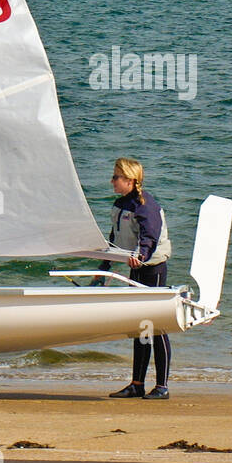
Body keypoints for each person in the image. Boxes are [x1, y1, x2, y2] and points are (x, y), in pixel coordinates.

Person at [98, 157, 172, 399]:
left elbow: (150, 236)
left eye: (116, 177)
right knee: (140, 327)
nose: (112, 181)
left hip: (153, 268)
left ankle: (162, 386)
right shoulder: (121, 204)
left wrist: (141, 256)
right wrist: (105, 266)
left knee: (157, 326)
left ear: (130, 180)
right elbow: (114, 238)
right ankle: (137, 384)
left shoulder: (145, 205)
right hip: (135, 267)